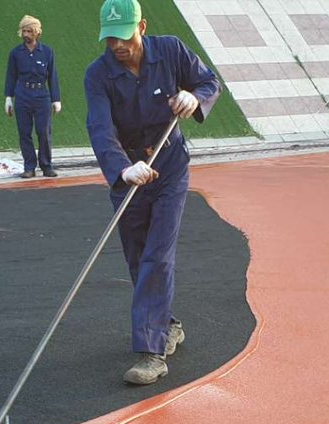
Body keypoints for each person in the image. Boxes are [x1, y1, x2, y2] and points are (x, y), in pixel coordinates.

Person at [84, 0, 218, 385]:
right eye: (110, 39)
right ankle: (166, 324)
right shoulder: (98, 74)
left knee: (157, 254)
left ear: (141, 27)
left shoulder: (171, 51)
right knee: (138, 256)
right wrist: (123, 169)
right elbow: (99, 127)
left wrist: (195, 98)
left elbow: (209, 82)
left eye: (123, 37)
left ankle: (150, 353)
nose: (117, 46)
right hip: (130, 172)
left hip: (169, 165)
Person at [4, 15, 61, 178]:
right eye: (24, 31)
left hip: (42, 95)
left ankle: (46, 165)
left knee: (44, 131)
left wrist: (56, 99)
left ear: (36, 32)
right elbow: (11, 76)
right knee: (24, 132)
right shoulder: (16, 53)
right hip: (22, 95)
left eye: (29, 31)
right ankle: (29, 167)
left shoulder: (47, 52)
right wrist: (8, 98)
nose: (26, 34)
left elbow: (52, 76)